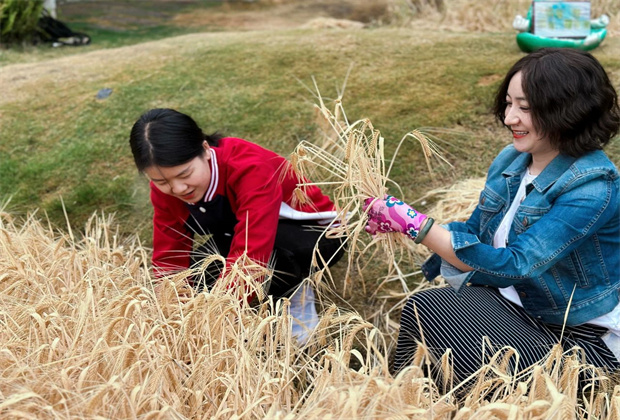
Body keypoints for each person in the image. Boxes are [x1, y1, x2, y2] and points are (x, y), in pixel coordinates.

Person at [365, 48, 620, 382]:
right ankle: (405, 400)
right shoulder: (510, 161)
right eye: (509, 103)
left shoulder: (592, 188)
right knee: (424, 308)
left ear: (568, 113)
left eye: (525, 108)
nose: (509, 118)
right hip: (518, 304)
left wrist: (418, 226)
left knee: (476, 353)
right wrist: (404, 223)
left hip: (575, 335)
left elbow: (516, 264)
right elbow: (476, 233)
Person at [129, 108, 344, 343]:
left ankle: (296, 298)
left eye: (185, 173)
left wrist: (221, 311)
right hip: (238, 229)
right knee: (201, 275)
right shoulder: (167, 188)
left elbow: (251, 256)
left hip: (314, 233)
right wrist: (171, 304)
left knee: (277, 260)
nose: (178, 189)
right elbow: (170, 253)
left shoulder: (250, 168)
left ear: (205, 150)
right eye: (161, 181)